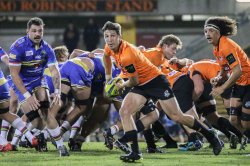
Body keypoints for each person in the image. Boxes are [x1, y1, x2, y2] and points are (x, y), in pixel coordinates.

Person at [102, 21, 222, 162]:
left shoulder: (127, 54)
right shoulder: (109, 46)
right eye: (106, 36)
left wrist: (121, 85)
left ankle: (211, 136)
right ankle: (135, 152)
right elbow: (105, 56)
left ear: (120, 36)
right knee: (125, 112)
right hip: (141, 84)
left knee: (177, 116)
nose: (109, 39)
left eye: (113, 36)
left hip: (156, 82)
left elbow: (133, 81)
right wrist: (108, 77)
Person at [8, 17, 69, 156]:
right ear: (27, 31)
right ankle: (21, 139)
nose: (37, 34)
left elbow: (55, 71)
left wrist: (58, 91)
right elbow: (15, 75)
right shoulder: (18, 47)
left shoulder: (47, 48)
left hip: (38, 81)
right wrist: (27, 96)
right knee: (36, 121)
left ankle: (61, 147)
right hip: (21, 83)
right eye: (34, 31)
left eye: (40, 31)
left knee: (46, 113)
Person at [204, 16, 250, 145]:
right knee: (234, 120)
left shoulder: (226, 45)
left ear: (219, 32)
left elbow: (238, 70)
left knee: (246, 122)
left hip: (249, 83)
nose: (207, 34)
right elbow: (224, 70)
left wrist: (222, 87)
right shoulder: (216, 48)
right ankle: (246, 140)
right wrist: (218, 78)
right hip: (240, 83)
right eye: (205, 31)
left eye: (211, 31)